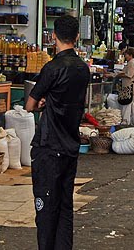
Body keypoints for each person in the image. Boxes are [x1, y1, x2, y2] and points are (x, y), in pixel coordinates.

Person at [25, 16, 89, 250]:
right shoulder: (83, 69)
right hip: (70, 145)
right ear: (77, 38)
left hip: (49, 147)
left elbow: (30, 105)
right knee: (64, 206)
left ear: (53, 36)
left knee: (45, 208)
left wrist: (44, 103)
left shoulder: (52, 68)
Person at [118, 47, 134, 128]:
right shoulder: (133, 62)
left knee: (129, 106)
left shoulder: (131, 62)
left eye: (126, 55)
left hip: (131, 88)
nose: (125, 56)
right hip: (133, 88)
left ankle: (127, 122)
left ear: (130, 55)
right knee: (133, 107)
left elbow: (129, 74)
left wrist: (119, 74)